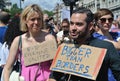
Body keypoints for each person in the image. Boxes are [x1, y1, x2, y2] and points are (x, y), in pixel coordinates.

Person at [48, 7, 120, 81]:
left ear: (90, 26)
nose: (73, 28)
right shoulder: (65, 47)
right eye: (72, 23)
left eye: (79, 24)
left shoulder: (106, 47)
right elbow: (54, 76)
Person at [3, 4, 56, 81]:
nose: (36, 22)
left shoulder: (49, 38)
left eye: (39, 19)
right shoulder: (18, 40)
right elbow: (7, 68)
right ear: (25, 20)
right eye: (32, 19)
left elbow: (56, 66)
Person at [93, 8, 120, 81]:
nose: (107, 22)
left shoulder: (116, 34)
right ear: (96, 22)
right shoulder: (95, 37)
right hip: (107, 75)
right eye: (103, 20)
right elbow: (118, 46)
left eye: (110, 19)